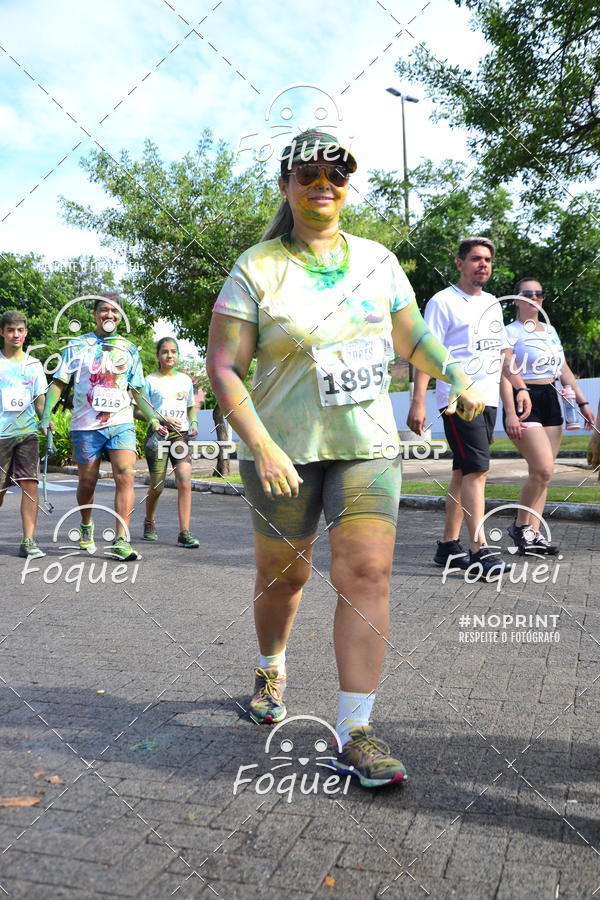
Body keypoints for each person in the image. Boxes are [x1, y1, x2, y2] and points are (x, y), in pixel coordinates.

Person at [206, 129, 485, 789]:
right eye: (309, 175)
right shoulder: (257, 267)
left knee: (366, 575)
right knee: (285, 578)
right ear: (286, 186)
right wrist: (263, 443)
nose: (324, 184)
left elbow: (411, 334)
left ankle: (354, 731)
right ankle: (271, 664)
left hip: (366, 445)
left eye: (337, 174)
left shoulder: (377, 261)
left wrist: (459, 376)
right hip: (282, 451)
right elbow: (223, 365)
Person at [407, 238, 533, 576]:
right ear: (459, 264)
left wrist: (519, 387)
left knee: (463, 472)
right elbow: (424, 354)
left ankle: (448, 546)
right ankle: (480, 549)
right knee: (478, 472)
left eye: (488, 260)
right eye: (476, 258)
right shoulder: (442, 302)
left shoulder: (493, 303)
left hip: (489, 398)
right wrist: (418, 401)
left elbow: (503, 353)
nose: (483, 265)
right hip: (458, 402)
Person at [40, 295, 159, 561]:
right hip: (85, 426)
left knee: (125, 474)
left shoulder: (129, 349)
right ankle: (86, 524)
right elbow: (59, 382)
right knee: (87, 481)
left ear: (120, 317)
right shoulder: (77, 345)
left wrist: (151, 417)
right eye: (104, 310)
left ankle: (121, 539)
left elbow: (136, 389)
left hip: (121, 422)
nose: (110, 315)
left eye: (115, 311)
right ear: (95, 314)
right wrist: (46, 414)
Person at [501, 277, 595, 553]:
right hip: (524, 397)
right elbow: (505, 374)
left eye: (539, 293)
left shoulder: (550, 331)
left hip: (551, 398)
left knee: (543, 474)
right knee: (543, 468)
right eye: (527, 293)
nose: (534, 298)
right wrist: (509, 413)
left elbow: (564, 370)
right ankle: (520, 527)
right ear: (516, 299)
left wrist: (583, 402)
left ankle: (533, 535)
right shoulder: (509, 332)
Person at [139, 337, 200, 548]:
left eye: (173, 351)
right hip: (159, 435)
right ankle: (149, 520)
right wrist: (160, 420)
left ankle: (184, 532)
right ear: (158, 355)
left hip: (181, 435)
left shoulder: (185, 380)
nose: (170, 355)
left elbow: (191, 406)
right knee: (157, 486)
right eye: (165, 351)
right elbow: (138, 410)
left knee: (185, 480)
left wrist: (193, 421)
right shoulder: (148, 380)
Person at [0, 310, 48, 558]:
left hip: (27, 433)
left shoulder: (34, 365)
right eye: (10, 330)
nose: (15, 335)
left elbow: (40, 399)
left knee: (30, 485)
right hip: (1, 435)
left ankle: (28, 540)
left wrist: (45, 419)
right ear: (2, 332)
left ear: (26, 333)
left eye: (20, 330)